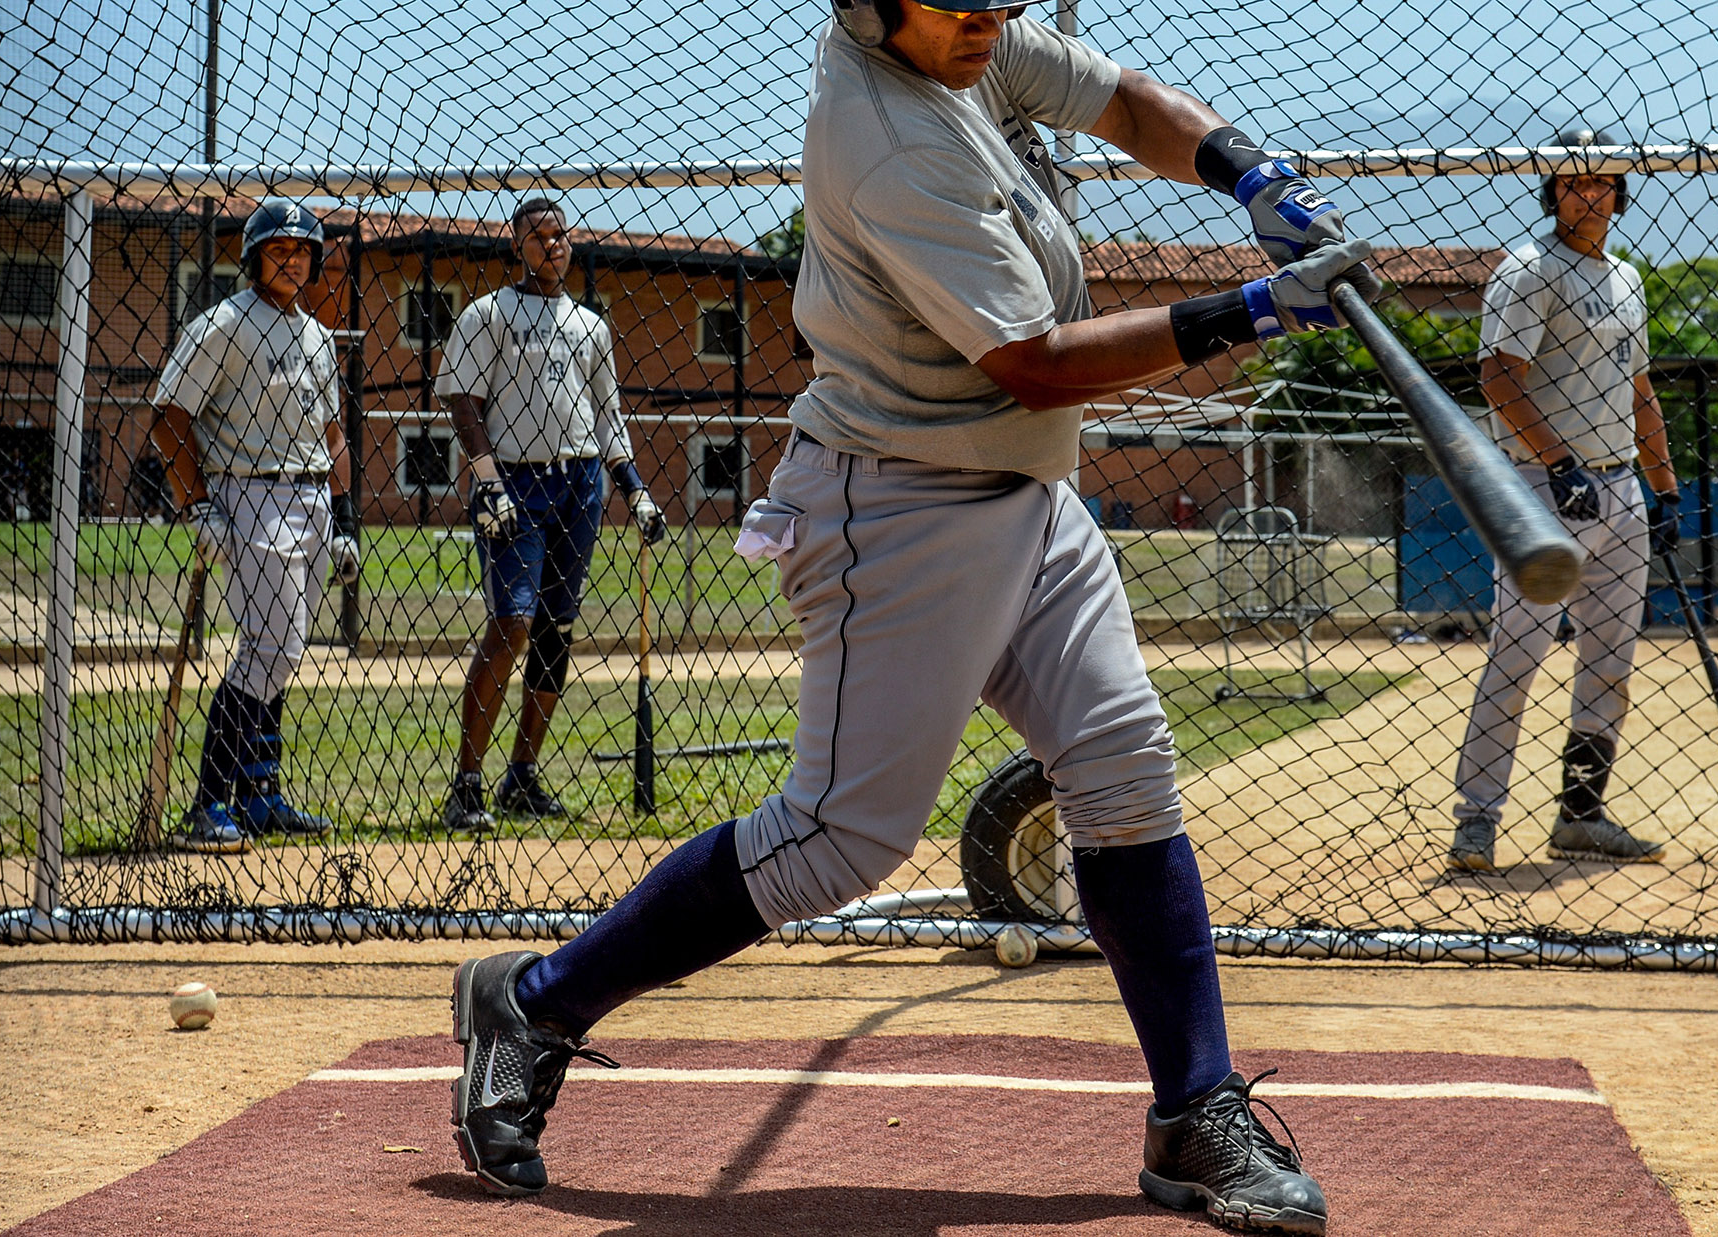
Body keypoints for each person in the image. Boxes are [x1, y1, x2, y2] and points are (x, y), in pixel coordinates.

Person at [447, 5, 1380, 1232]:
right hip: (899, 502)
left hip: (1028, 494)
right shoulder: (884, 131)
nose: (988, 19)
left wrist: (1247, 169)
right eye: (958, 2)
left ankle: (1192, 1111)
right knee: (839, 840)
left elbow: (1126, 101)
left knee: (1123, 773)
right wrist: (1249, 310)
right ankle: (540, 999)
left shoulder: (963, 36)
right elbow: (1033, 358)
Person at [1445, 127, 1678, 872]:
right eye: (1574, 182)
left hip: (1619, 488)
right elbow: (1497, 375)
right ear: (1552, 193)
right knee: (1518, 653)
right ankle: (1476, 818)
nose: (1589, 192)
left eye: (1602, 181)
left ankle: (1581, 814)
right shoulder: (1529, 269)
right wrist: (1560, 460)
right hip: (1547, 489)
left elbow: (1641, 391)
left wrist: (1665, 486)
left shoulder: (1629, 279)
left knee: (1610, 661)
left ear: (1619, 193)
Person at [433, 198, 667, 831]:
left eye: (560, 234)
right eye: (537, 236)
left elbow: (606, 417)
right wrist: (488, 483)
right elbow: (463, 402)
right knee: (511, 623)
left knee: (556, 632)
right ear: (517, 248)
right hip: (514, 480)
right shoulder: (490, 314)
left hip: (581, 482)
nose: (552, 244)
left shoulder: (591, 325)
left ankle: (522, 776)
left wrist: (635, 489)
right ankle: (468, 783)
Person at [150, 200, 358, 853]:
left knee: (277, 657)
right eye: (280, 248)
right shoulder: (224, 323)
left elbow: (332, 434)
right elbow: (169, 416)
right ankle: (208, 803)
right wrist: (198, 504)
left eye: (303, 249)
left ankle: (260, 795)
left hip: (311, 499)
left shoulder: (319, 336)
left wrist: (345, 516)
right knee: (272, 651)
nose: (292, 258)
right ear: (254, 255)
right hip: (251, 494)